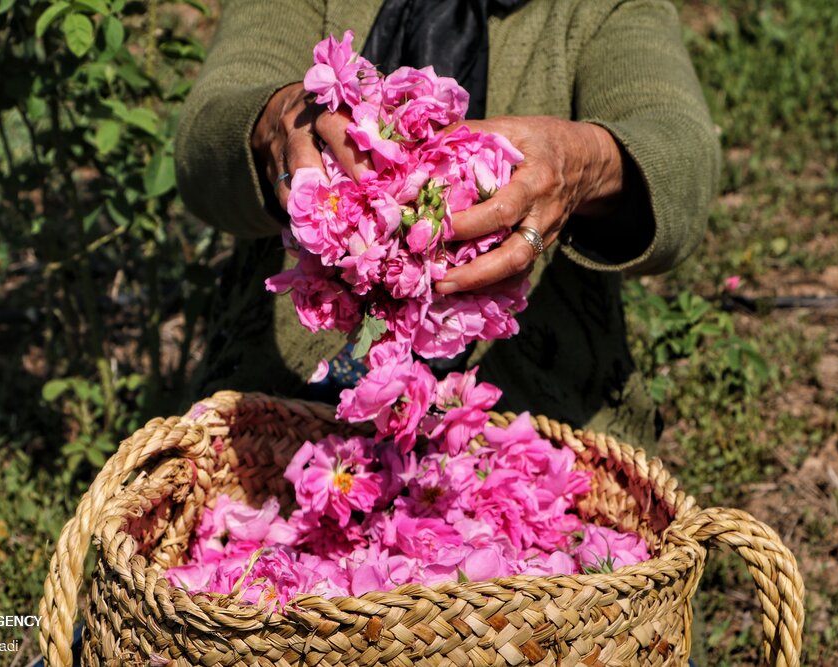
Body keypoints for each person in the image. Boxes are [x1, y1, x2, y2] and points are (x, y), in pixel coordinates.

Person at [175, 0, 720, 451]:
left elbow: (682, 159)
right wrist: (277, 123)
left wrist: (584, 162)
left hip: (536, 429)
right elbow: (203, 141)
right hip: (281, 421)